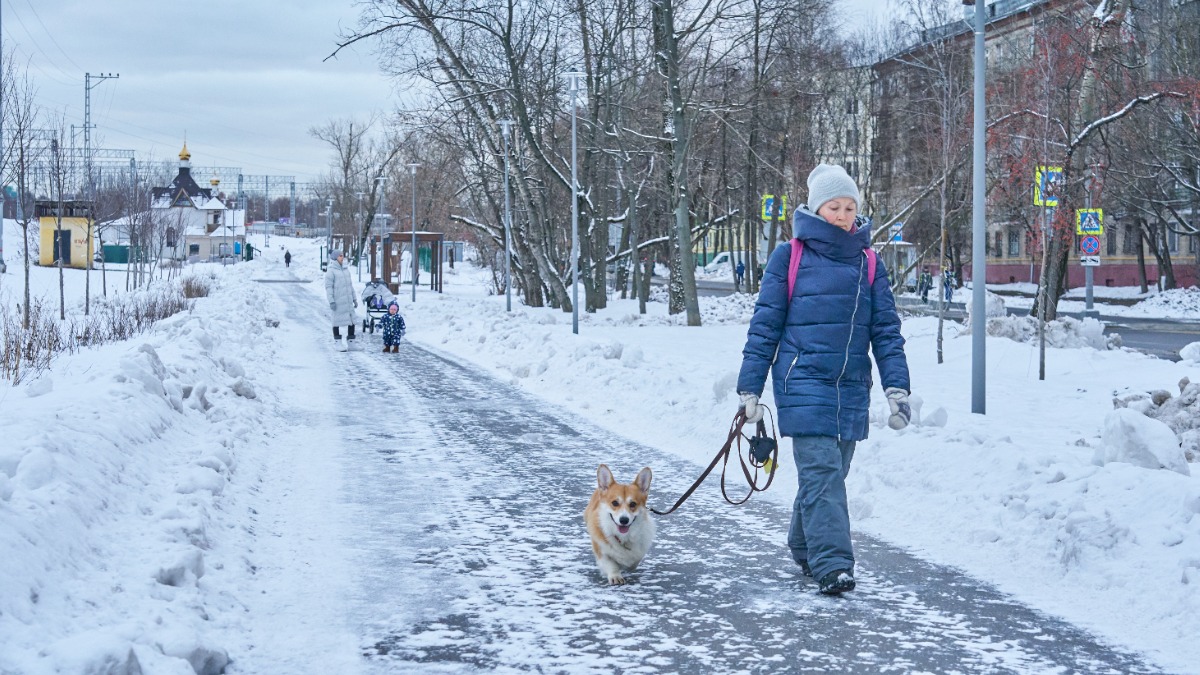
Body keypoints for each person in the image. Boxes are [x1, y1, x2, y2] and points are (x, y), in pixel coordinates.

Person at [736, 164, 911, 596]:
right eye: (834, 206)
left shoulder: (869, 263)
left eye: (850, 207)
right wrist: (750, 389)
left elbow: (885, 330)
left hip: (850, 386)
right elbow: (765, 325)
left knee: (830, 476)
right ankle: (833, 565)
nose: (844, 214)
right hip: (803, 382)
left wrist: (897, 387)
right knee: (824, 476)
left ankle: (803, 544)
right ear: (817, 209)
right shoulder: (789, 256)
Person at [324, 250, 358, 350]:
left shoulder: (346, 270)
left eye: (342, 255)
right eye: (340, 256)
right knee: (336, 321)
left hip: (348, 302)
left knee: (352, 321)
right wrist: (331, 301)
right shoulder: (331, 271)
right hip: (338, 302)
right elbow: (328, 287)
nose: (342, 257)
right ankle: (337, 343)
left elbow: (350, 286)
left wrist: (354, 299)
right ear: (335, 258)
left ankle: (351, 343)